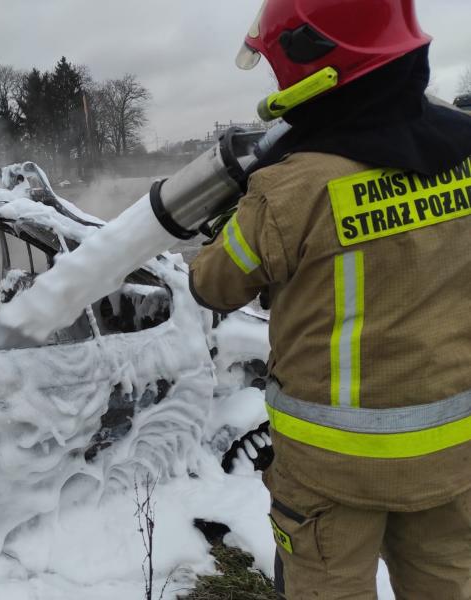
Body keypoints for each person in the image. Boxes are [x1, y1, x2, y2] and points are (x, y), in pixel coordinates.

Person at [189, 1, 471, 598]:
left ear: (317, 66)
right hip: (452, 453)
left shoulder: (288, 188)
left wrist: (239, 208)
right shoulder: (465, 153)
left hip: (330, 470)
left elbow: (212, 284)